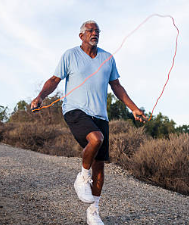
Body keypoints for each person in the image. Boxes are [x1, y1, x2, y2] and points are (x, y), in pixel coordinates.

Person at [31, 20, 146, 225]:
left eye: (97, 31)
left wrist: (134, 108)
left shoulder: (107, 58)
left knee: (100, 167)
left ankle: (94, 212)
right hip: (75, 110)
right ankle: (82, 178)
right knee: (96, 139)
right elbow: (54, 80)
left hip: (100, 115)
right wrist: (40, 96)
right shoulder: (70, 55)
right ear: (81, 35)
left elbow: (117, 86)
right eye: (90, 31)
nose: (95, 33)